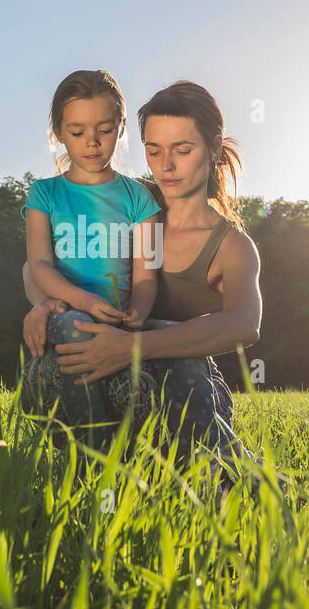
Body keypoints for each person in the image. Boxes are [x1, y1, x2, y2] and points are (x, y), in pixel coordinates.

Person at [22, 79, 269, 490]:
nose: (165, 165)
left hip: (177, 383)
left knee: (205, 455)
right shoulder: (130, 198)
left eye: (183, 150)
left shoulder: (231, 246)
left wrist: (130, 346)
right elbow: (36, 266)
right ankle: (95, 481)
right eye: (153, 150)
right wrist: (45, 303)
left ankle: (218, 481)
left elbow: (245, 325)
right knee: (64, 361)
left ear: (212, 148)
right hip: (102, 372)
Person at [19, 69, 165, 458]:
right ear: (58, 131)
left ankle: (164, 455)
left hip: (116, 320)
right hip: (67, 314)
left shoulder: (141, 200)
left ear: (120, 127)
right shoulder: (43, 195)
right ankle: (93, 456)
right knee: (74, 327)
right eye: (78, 131)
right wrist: (79, 302)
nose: (92, 142)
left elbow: (147, 275)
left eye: (103, 128)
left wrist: (138, 311)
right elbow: (39, 265)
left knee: (165, 354)